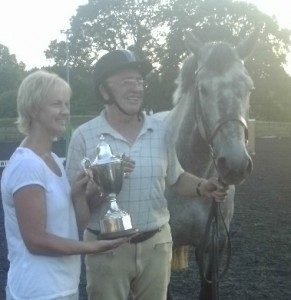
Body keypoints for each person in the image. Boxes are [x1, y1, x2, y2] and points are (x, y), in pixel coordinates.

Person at [65, 50, 228, 300]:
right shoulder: (84, 137)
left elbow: (176, 177)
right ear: (104, 91)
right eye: (127, 82)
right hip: (108, 251)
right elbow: (77, 214)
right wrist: (99, 187)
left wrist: (203, 186)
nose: (137, 89)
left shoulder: (162, 130)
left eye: (140, 82)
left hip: (157, 247)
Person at [0, 70, 131, 300]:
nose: (66, 111)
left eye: (67, 104)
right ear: (33, 108)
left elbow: (75, 224)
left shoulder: (52, 161)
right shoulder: (27, 166)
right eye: (57, 104)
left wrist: (83, 194)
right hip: (37, 291)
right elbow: (36, 241)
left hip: (61, 287)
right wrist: (94, 247)